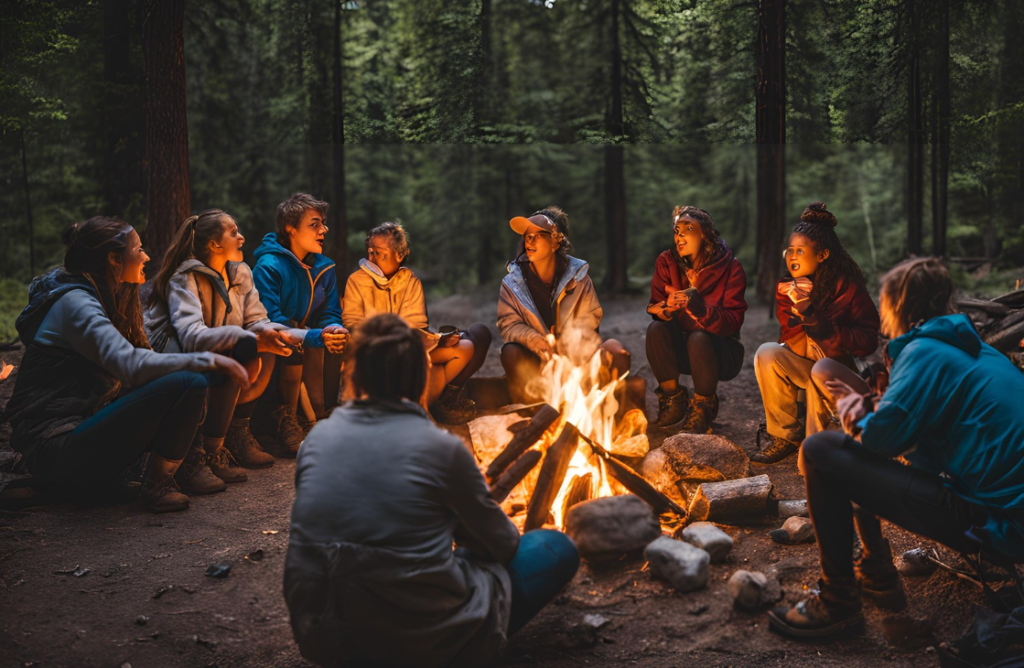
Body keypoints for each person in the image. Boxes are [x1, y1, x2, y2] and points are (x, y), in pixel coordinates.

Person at [284, 314, 580, 667]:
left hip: (322, 635)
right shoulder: (440, 448)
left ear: (354, 373)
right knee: (555, 547)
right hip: (418, 643)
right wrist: (472, 501)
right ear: (420, 376)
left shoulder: (315, 440)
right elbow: (503, 545)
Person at [768, 257, 1024, 639]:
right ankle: (876, 570)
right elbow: (931, 451)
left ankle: (838, 601)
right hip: (1009, 512)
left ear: (896, 305)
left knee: (824, 451)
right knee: (849, 457)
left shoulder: (924, 353)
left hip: (998, 524)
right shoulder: (976, 349)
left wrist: (856, 406)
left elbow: (878, 442)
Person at [2, 216, 250, 513]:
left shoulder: (111, 294)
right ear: (114, 259)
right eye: (139, 249)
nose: (146, 256)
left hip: (83, 431)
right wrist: (207, 359)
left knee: (182, 382)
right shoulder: (75, 303)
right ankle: (156, 483)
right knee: (189, 380)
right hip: (55, 446)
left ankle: (179, 467)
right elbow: (129, 365)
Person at [145, 209, 305, 491]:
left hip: (214, 355)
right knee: (238, 347)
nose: (241, 237)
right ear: (214, 245)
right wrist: (246, 337)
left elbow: (258, 321)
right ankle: (194, 455)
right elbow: (191, 336)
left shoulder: (239, 273)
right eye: (233, 232)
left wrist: (309, 335)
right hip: (174, 361)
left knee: (270, 344)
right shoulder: (184, 278)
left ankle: (226, 440)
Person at [751, 201, 880, 464]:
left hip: (840, 371)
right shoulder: (788, 288)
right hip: (806, 367)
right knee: (767, 353)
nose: (792, 256)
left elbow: (867, 341)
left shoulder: (848, 288)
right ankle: (784, 435)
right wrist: (802, 311)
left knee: (817, 454)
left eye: (800, 250)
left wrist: (820, 322)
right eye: (789, 250)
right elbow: (792, 340)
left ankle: (824, 443)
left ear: (822, 255)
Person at [342, 221, 492, 424]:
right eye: (370, 251)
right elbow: (352, 324)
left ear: (400, 254)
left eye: (380, 253)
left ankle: (438, 400)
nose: (372, 258)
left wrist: (438, 341)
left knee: (464, 347)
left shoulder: (410, 281)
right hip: (375, 357)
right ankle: (407, 403)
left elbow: (415, 326)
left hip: (409, 351)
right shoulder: (356, 281)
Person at [497, 207, 630, 404]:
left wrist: (567, 346)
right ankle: (533, 413)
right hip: (537, 361)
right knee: (511, 352)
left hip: (576, 360)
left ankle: (606, 414)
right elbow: (509, 324)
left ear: (555, 241)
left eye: (538, 235)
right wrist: (536, 340)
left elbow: (590, 320)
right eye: (527, 236)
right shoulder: (512, 283)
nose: (529, 241)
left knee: (615, 351)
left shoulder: (579, 278)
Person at [251, 193, 348, 456]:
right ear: (290, 229)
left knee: (337, 339)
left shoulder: (324, 268)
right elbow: (271, 321)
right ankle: (281, 420)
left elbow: (330, 313)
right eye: (314, 223)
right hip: (274, 337)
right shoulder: (268, 266)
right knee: (291, 344)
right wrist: (316, 335)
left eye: (323, 223)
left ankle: (318, 416)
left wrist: (333, 329)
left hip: (304, 335)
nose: (323, 230)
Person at [645, 206, 747, 434]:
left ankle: (703, 407)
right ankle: (673, 399)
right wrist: (667, 308)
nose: (679, 236)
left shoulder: (730, 267)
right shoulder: (667, 261)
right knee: (656, 328)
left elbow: (732, 321)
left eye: (688, 229)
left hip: (720, 351)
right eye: (676, 230)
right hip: (680, 347)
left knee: (698, 337)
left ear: (705, 234)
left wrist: (697, 307)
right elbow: (655, 305)